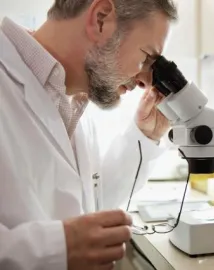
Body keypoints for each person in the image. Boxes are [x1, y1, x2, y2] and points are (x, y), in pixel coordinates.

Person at [0, 0, 178, 269]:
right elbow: (64, 237)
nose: (147, 81)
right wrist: (53, 250)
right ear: (101, 19)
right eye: (146, 58)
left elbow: (87, 207)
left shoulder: (73, 101)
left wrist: (143, 136)